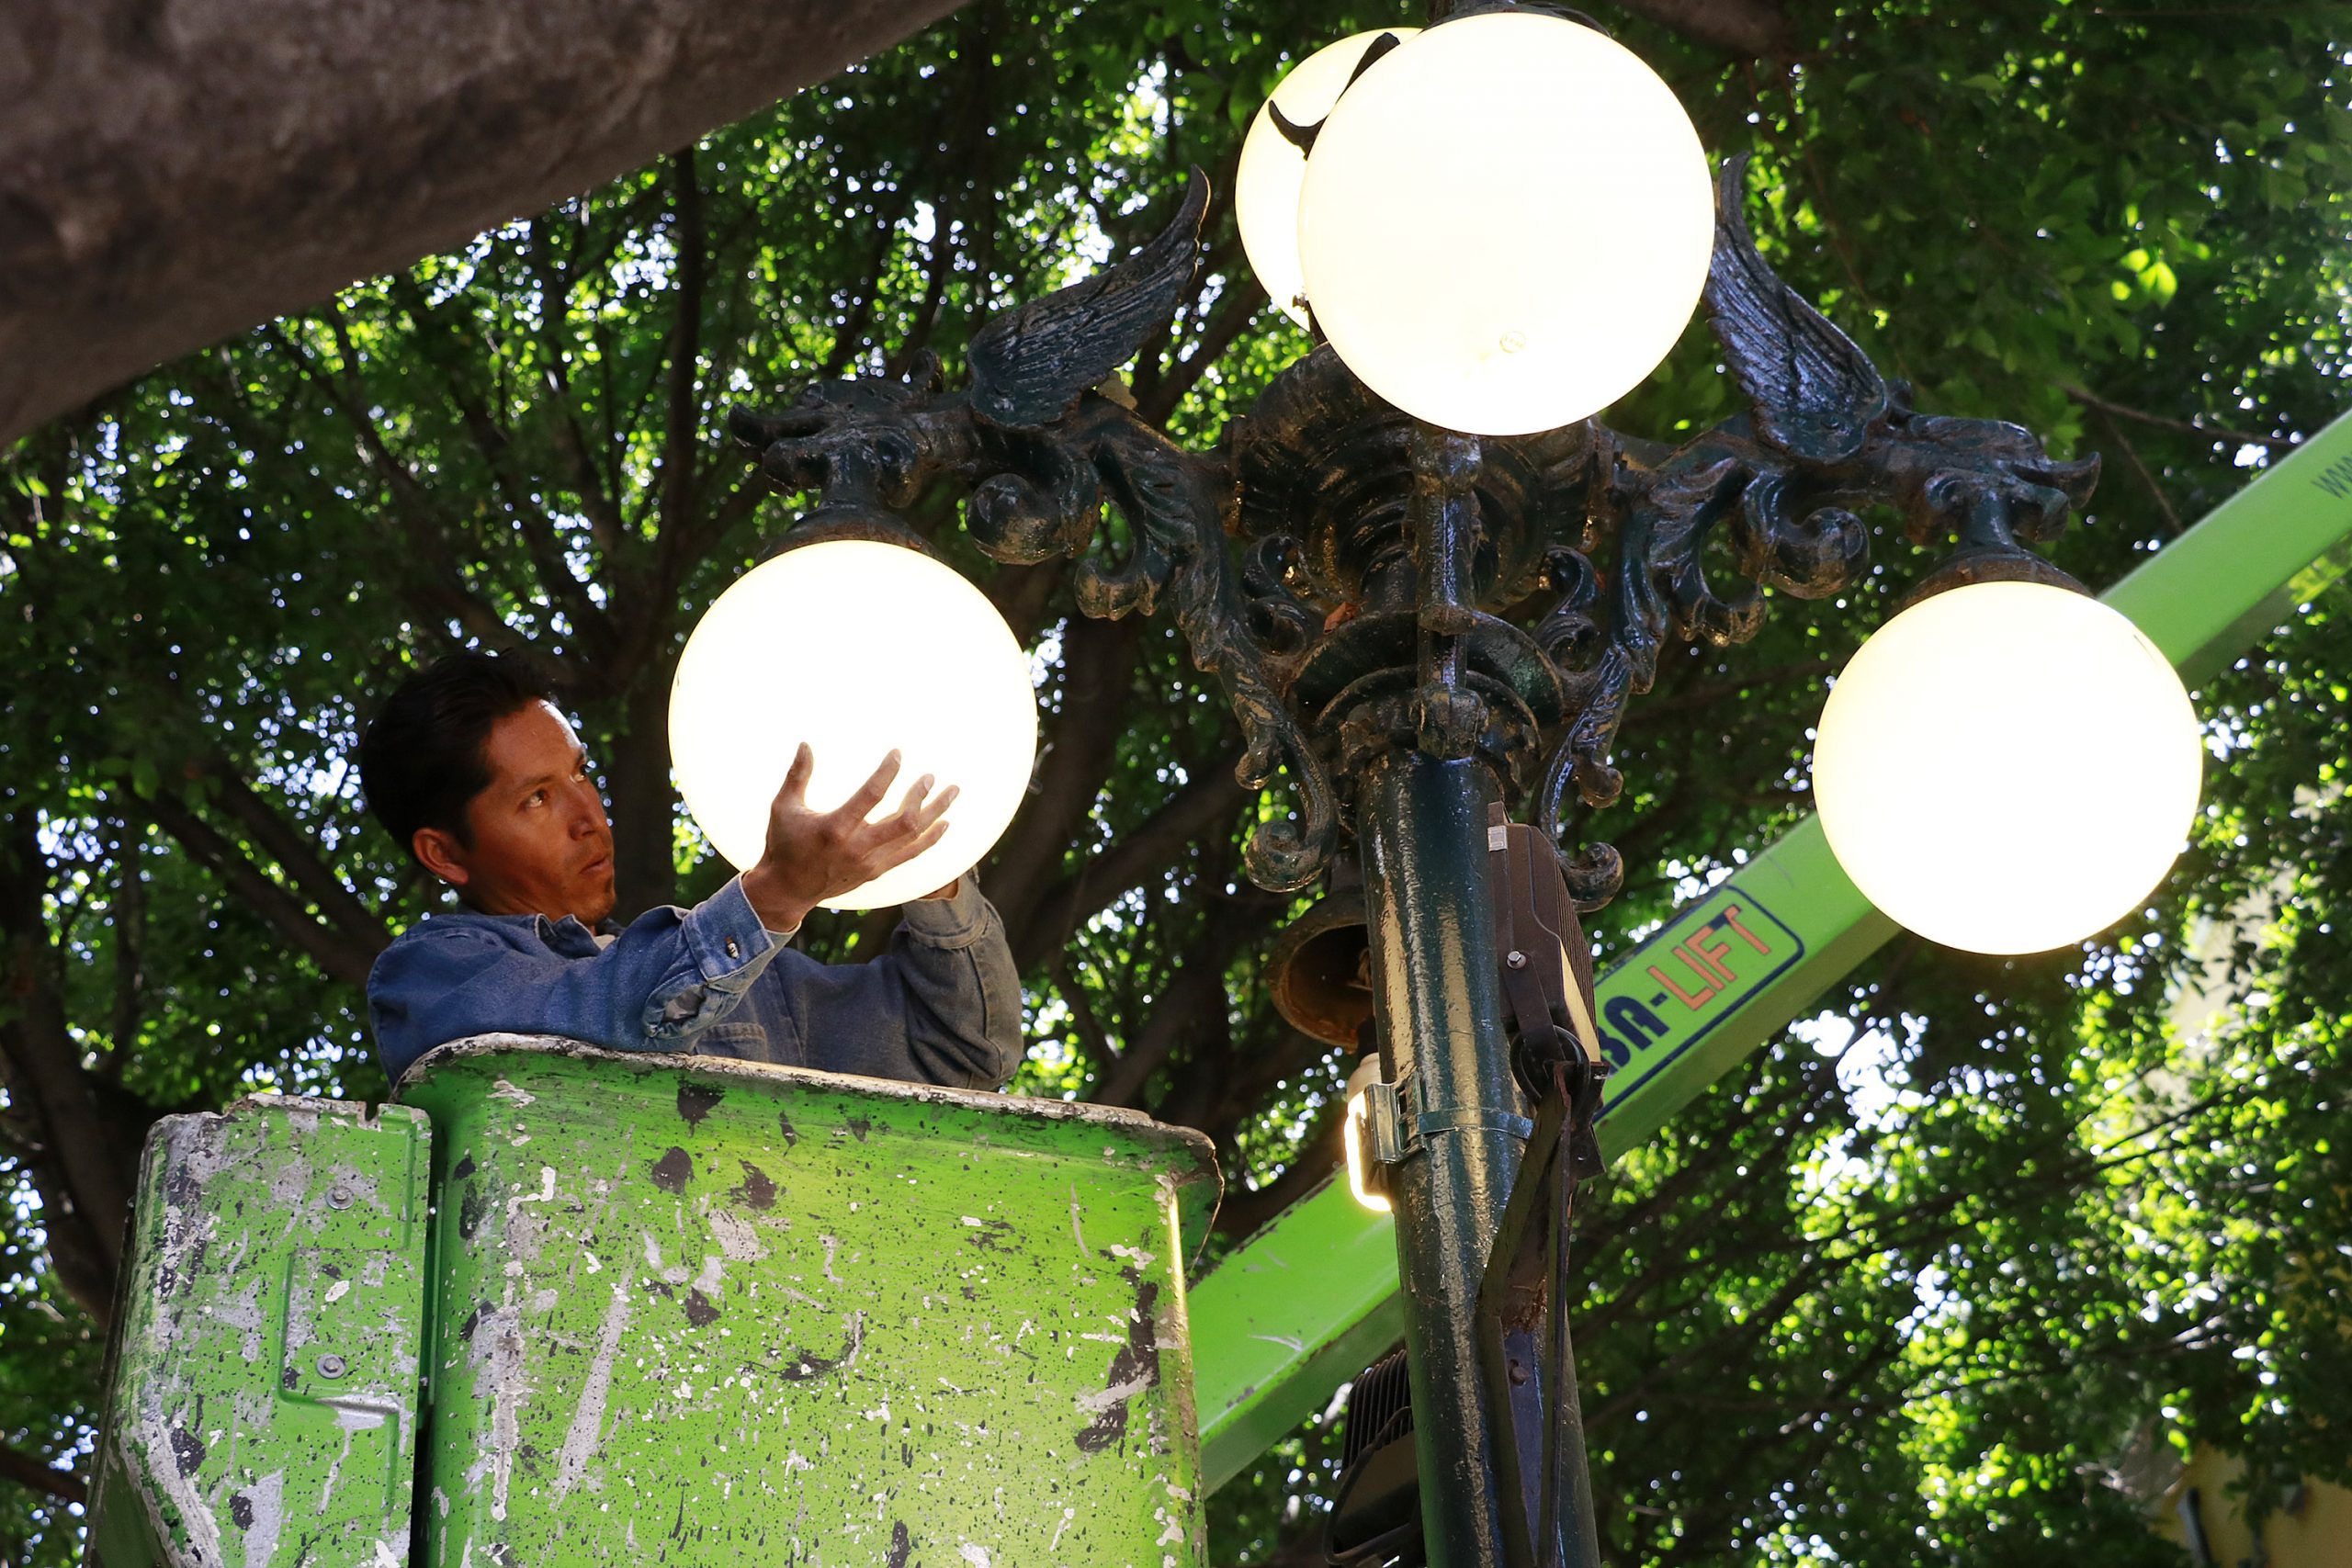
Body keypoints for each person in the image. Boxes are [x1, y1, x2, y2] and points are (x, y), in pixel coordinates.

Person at [356, 650, 1023, 1089]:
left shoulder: (764, 983)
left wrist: (932, 867)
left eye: (580, 772)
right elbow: (598, 1025)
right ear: (443, 853)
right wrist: (776, 894)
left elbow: (963, 1057)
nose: (589, 813)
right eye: (537, 797)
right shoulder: (429, 975)